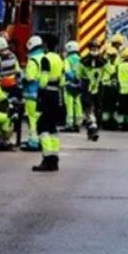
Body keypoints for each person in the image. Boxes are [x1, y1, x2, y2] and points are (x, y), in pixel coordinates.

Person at [34, 38, 65, 172]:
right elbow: (62, 79)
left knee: (42, 127)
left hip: (47, 94)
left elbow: (44, 78)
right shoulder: (59, 59)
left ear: (46, 46)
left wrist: (40, 92)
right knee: (52, 128)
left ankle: (46, 160)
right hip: (56, 94)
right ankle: (54, 159)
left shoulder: (45, 59)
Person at [0, 36, 21, 151]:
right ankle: (6, 137)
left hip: (0, 89)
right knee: (9, 113)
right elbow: (17, 71)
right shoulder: (13, 56)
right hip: (13, 88)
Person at [20, 35, 45, 151]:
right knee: (39, 118)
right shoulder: (44, 58)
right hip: (41, 94)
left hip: (31, 94)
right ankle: (40, 140)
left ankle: (33, 141)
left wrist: (22, 77)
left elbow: (29, 77)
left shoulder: (33, 61)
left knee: (32, 118)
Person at [80, 43, 104, 141]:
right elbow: (79, 72)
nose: (94, 50)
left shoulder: (103, 61)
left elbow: (109, 71)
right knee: (88, 107)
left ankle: (94, 128)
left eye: (96, 48)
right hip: (87, 87)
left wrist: (103, 79)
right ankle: (92, 128)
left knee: (98, 108)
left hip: (99, 88)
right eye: (92, 48)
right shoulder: (83, 61)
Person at [62, 41, 84, 133]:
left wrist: (73, 78)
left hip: (69, 85)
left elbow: (67, 72)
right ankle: (78, 123)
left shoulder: (67, 60)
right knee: (78, 103)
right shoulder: (80, 59)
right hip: (79, 85)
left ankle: (69, 124)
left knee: (69, 104)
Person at [99, 44, 118, 130]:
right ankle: (107, 122)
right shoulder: (108, 65)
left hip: (109, 87)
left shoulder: (106, 64)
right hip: (107, 87)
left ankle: (108, 122)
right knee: (108, 106)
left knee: (109, 106)